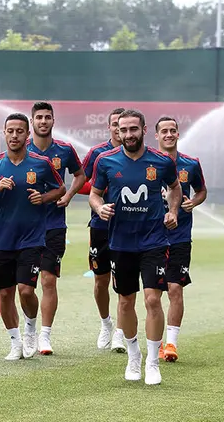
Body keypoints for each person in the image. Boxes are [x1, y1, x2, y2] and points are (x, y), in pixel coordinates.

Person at [89, 109, 181, 385]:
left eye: (133, 129)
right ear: (116, 131)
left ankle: (153, 362)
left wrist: (173, 210)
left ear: (143, 129)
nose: (128, 134)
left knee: (153, 299)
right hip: (120, 243)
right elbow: (94, 193)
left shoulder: (162, 161)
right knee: (126, 301)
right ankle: (133, 355)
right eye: (122, 130)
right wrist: (99, 207)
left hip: (153, 240)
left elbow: (175, 188)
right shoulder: (105, 161)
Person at [0, 113, 66, 361]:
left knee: (26, 290)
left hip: (32, 238)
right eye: (10, 131)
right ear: (4, 133)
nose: (14, 135)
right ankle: (15, 342)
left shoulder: (41, 163)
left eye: (19, 131)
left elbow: (61, 188)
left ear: (27, 134)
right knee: (5, 293)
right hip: (2, 240)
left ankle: (31, 328)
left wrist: (44, 198)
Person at [26, 101, 86, 355]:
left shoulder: (64, 150)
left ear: (53, 120)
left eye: (47, 117)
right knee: (25, 287)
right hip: (24, 228)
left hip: (53, 225)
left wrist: (70, 194)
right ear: (32, 121)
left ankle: (45, 336)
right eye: (38, 117)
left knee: (48, 280)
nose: (43, 121)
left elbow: (81, 175)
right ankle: (29, 330)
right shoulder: (21, 149)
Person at [155, 116, 206, 362]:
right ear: (156, 136)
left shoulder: (191, 164)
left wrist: (192, 203)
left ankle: (171, 344)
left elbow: (202, 191)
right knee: (152, 294)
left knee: (175, 288)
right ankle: (153, 339)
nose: (168, 134)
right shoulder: (148, 164)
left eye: (172, 130)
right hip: (151, 238)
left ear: (178, 134)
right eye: (164, 130)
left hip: (180, 237)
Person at [80, 107, 128, 352]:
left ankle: (121, 332)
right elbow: (81, 181)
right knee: (101, 281)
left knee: (123, 282)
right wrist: (97, 197)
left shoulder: (137, 155)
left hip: (128, 227)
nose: (120, 129)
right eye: (115, 124)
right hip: (100, 226)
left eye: (124, 125)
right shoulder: (97, 154)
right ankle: (105, 324)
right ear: (110, 127)